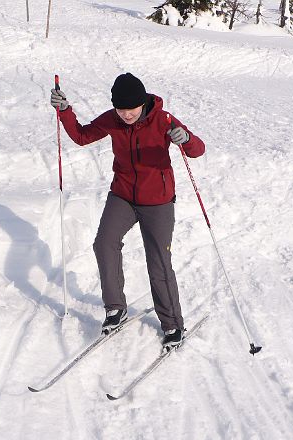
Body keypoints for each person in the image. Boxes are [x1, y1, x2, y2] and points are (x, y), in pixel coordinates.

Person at [50, 73, 205, 349]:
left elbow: (197, 150)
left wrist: (186, 138)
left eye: (130, 110)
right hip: (122, 195)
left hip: (157, 201)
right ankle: (115, 308)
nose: (126, 115)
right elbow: (83, 136)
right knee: (104, 244)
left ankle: (172, 325)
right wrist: (65, 111)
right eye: (120, 110)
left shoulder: (163, 120)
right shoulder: (112, 119)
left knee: (158, 262)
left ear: (142, 103)